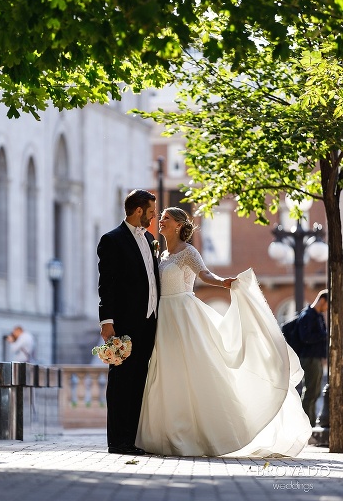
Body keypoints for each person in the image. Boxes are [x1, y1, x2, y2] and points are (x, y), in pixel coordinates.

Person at [136, 207, 312, 457]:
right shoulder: (161, 253)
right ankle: (166, 435)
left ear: (178, 225)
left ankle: (200, 436)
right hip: (162, 316)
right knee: (166, 372)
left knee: (192, 371)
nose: (160, 221)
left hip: (183, 316)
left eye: (166, 218)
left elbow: (205, 274)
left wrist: (224, 282)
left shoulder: (189, 251)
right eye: (161, 217)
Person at [97, 189, 160, 456]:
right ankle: (117, 442)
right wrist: (107, 321)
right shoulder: (112, 240)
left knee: (139, 383)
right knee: (121, 383)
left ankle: (131, 440)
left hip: (150, 323)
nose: (154, 217)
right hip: (123, 323)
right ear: (138, 211)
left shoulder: (149, 238)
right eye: (151, 212)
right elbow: (106, 285)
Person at [296, 289, 328, 425]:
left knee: (315, 392)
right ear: (322, 300)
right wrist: (324, 335)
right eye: (328, 304)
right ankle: (304, 425)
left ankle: (312, 423)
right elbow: (305, 337)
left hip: (316, 358)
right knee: (310, 392)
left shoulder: (318, 316)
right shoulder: (307, 315)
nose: (327, 308)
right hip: (308, 358)